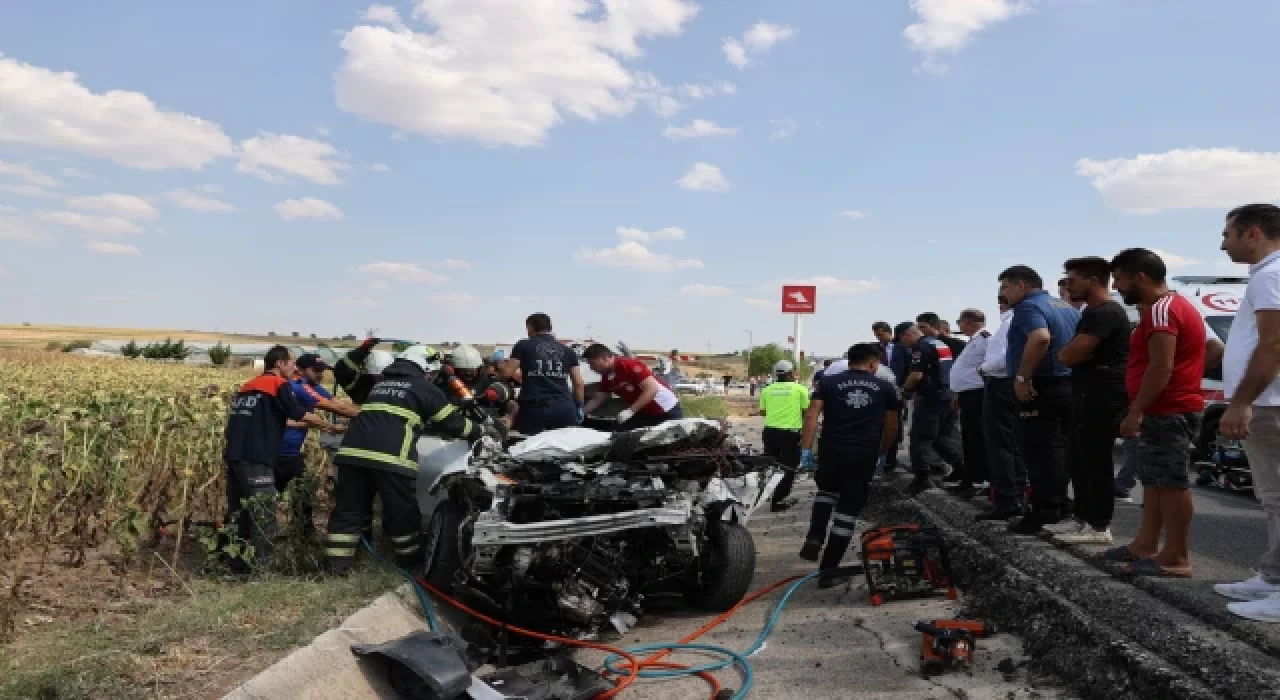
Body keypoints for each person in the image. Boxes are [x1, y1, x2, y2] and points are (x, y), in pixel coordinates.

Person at [325, 345, 495, 573]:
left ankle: (336, 567)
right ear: (424, 367)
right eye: (431, 373)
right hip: (391, 458)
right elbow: (453, 424)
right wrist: (482, 430)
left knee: (347, 513)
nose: (433, 377)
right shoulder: (423, 388)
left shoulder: (381, 385)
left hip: (351, 456)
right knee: (402, 514)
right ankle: (409, 562)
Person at [1099, 249, 1208, 577]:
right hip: (1169, 406)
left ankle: (1176, 557)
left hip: (1168, 409)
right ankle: (1146, 543)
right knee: (1155, 480)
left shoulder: (1163, 310)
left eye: (1119, 279)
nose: (1117, 287)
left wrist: (1137, 410)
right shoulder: (1176, 306)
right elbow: (1210, 349)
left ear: (1140, 277)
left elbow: (1161, 366)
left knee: (1171, 483)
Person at [1214, 204, 1280, 620]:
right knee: (1273, 497)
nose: (1223, 244)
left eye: (1228, 235)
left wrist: (1240, 402)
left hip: (1271, 402)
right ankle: (1273, 577)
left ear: (1252, 233)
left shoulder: (1272, 276)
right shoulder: (1266, 276)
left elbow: (1274, 344)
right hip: (1267, 401)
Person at [798, 343, 901, 588]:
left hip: (831, 449)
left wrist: (805, 449)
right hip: (862, 453)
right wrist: (883, 452)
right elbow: (892, 425)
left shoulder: (828, 382)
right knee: (847, 510)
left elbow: (812, 415)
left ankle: (815, 536)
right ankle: (828, 570)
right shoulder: (885, 387)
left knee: (826, 493)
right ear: (873, 363)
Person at [223, 346, 334, 572]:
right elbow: (298, 413)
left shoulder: (248, 386)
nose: (295, 368)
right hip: (257, 457)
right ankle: (263, 568)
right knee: (264, 513)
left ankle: (233, 562)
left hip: (235, 456)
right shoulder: (277, 384)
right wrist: (329, 426)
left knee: (238, 512)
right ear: (279, 364)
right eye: (291, 363)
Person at [1050, 257, 1131, 545]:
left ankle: (1099, 525)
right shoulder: (1092, 312)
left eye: (1072, 280)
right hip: (1086, 391)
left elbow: (1071, 354)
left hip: (1103, 394)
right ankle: (1083, 518)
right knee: (1079, 457)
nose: (1068, 286)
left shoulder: (1106, 313)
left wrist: (1065, 354)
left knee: (1095, 460)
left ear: (1092, 280)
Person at [1001, 265, 1081, 535]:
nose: (1003, 294)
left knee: (1038, 450)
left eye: (1005, 287)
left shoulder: (1028, 307)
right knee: (1058, 449)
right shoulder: (1064, 306)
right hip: (1068, 383)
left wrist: (1023, 377)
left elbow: (1040, 337)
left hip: (1042, 385)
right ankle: (1059, 504)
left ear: (1021, 285)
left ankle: (1044, 510)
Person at [277, 353, 360, 531]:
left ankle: (305, 535)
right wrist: (373, 414)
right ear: (301, 369)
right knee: (268, 499)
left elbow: (338, 403)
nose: (320, 375)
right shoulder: (297, 386)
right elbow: (335, 407)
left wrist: (361, 412)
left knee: (303, 496)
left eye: (322, 371)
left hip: (292, 454)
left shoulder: (313, 386)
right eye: (316, 371)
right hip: (275, 452)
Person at [975, 295, 1029, 521]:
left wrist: (984, 368)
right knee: (1013, 443)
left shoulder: (1010, 323)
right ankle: (1016, 495)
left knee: (1000, 444)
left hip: (1001, 383)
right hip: (1010, 383)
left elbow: (1004, 360)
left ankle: (1007, 500)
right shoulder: (1018, 322)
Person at [901, 323, 964, 495]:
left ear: (907, 335)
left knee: (920, 438)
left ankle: (922, 478)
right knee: (943, 436)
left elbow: (916, 375)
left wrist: (905, 391)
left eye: (902, 339)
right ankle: (961, 467)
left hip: (931, 397)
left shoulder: (920, 348)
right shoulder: (939, 343)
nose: (903, 344)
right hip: (949, 393)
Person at [510, 313, 585, 434]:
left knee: (531, 448)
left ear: (530, 327)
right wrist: (579, 406)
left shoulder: (523, 345)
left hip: (534, 409)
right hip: (564, 408)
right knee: (565, 448)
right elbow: (579, 384)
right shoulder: (568, 351)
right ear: (549, 328)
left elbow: (508, 372)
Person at [582, 344, 682, 430]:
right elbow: (598, 399)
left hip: (665, 409)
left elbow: (652, 389)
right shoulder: (606, 376)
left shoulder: (629, 365)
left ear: (605, 359)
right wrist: (582, 413)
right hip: (644, 411)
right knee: (617, 432)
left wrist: (630, 411)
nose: (591, 368)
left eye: (593, 364)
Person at [948, 309, 990, 497]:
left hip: (979, 394)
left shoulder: (986, 338)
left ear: (968, 322)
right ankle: (971, 478)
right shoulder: (973, 340)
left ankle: (982, 480)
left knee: (978, 438)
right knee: (969, 438)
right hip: (968, 394)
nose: (959, 325)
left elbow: (991, 366)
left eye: (960, 322)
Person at [757, 360, 810, 512]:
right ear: (791, 373)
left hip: (769, 433)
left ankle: (763, 497)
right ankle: (778, 501)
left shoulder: (767, 389)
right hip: (790, 434)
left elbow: (763, 412)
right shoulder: (800, 389)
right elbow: (807, 411)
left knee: (771, 465)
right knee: (788, 468)